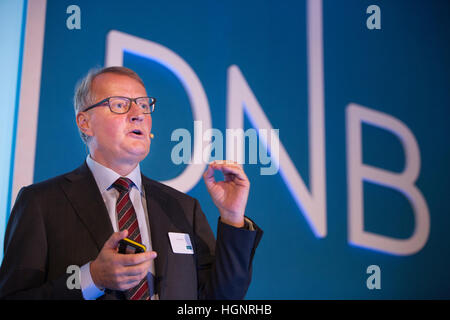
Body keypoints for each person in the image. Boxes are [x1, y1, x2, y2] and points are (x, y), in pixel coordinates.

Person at [0, 66, 262, 300]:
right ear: (85, 122)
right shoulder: (41, 203)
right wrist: (91, 279)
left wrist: (232, 217)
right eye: (120, 104)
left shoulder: (183, 207)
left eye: (144, 105)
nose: (138, 114)